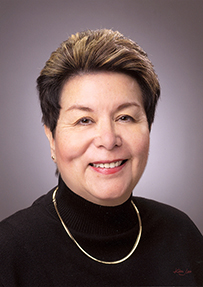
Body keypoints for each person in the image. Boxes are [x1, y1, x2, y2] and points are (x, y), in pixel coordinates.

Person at [0, 29, 202, 286]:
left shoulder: (181, 235)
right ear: (51, 138)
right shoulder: (9, 251)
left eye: (125, 117)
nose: (108, 140)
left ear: (149, 127)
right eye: (85, 120)